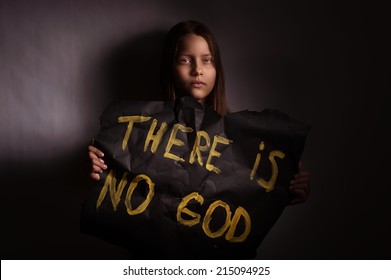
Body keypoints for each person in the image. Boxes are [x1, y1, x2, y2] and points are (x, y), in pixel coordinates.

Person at [88, 20, 310, 205]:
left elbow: (244, 202)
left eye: (207, 60)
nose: (198, 70)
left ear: (216, 69)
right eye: (185, 60)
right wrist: (98, 169)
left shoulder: (241, 141)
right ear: (170, 68)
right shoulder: (137, 131)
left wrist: (285, 191)